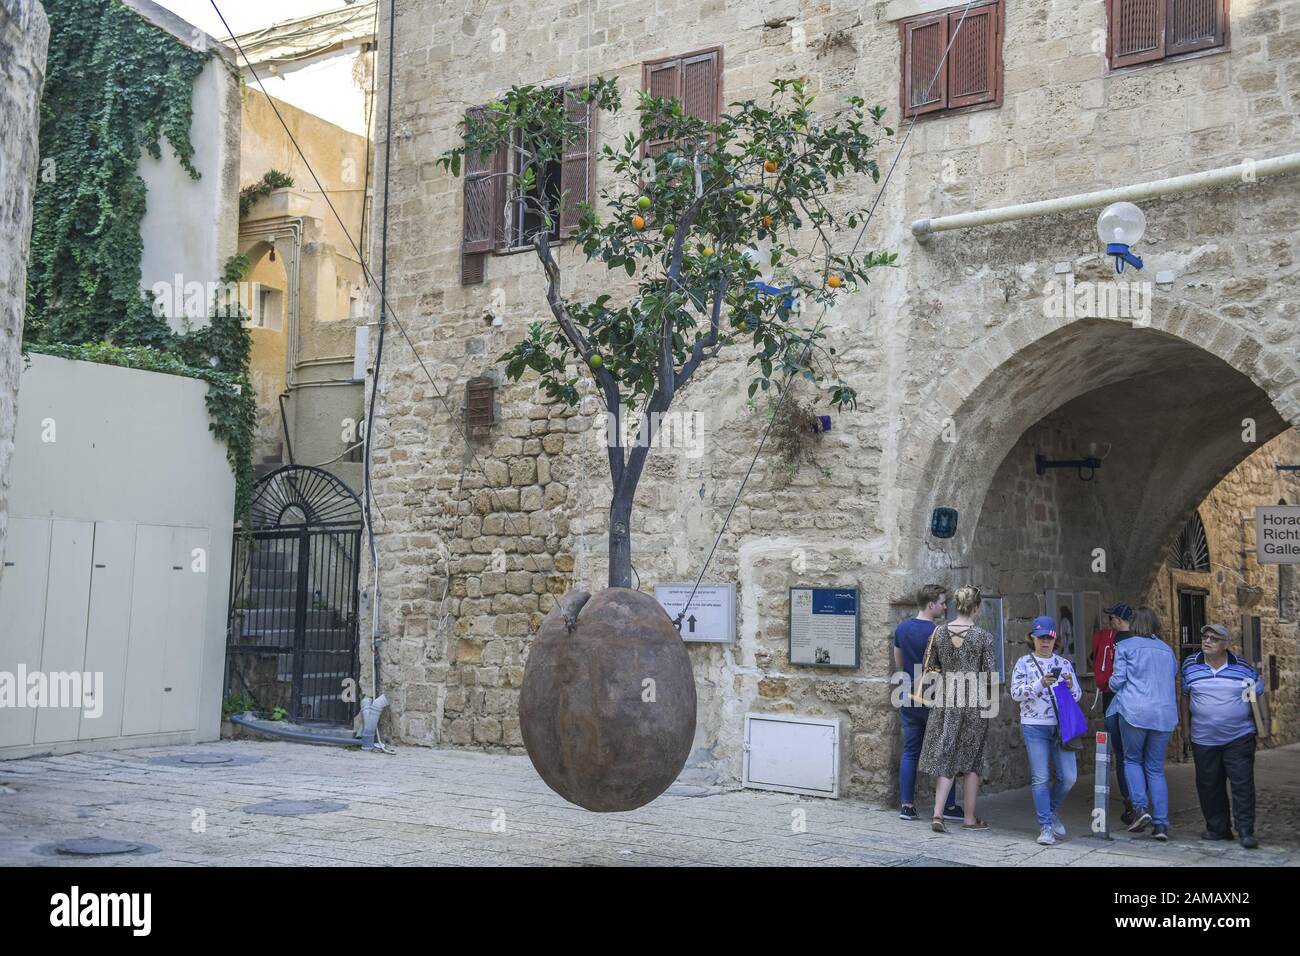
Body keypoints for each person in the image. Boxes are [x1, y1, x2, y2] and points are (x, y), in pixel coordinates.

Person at [1180, 623, 1268, 849]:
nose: (1207, 641)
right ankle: (1218, 829)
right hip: (1203, 738)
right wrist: (1186, 730)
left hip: (1239, 737)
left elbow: (1258, 694)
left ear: (1226, 644)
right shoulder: (1191, 665)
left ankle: (1246, 831)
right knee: (1209, 785)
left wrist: (1264, 725)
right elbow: (1185, 697)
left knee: (1242, 785)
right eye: (1205, 637)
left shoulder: (1242, 667)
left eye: (1214, 638)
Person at [919, 585, 996, 832]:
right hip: (973, 701)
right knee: (971, 761)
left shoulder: (938, 633)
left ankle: (938, 814)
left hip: (945, 698)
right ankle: (969, 819)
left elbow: (929, 667)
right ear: (976, 608)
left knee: (946, 754)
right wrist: (991, 707)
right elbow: (989, 676)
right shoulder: (983, 637)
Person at [1106, 606, 1178, 840]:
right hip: (1163, 714)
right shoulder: (1167, 651)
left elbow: (1117, 681)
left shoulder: (1125, 646)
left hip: (1135, 711)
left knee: (1132, 759)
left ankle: (1139, 808)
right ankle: (1161, 825)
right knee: (1155, 768)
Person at [892, 584, 963, 822]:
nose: (945, 606)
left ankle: (907, 806)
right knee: (944, 751)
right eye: (942, 602)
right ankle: (949, 806)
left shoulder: (902, 628)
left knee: (911, 751)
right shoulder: (940, 632)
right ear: (930, 604)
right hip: (935, 696)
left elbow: (899, 661)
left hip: (909, 693)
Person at [1011, 616, 1082, 846]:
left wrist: (1071, 686)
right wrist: (1041, 683)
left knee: (1069, 777)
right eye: (1040, 638)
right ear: (1032, 638)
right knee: (1040, 777)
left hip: (1062, 727)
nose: (1045, 642)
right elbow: (1016, 693)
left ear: (1055, 639)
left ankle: (1051, 811)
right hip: (1035, 726)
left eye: (1049, 638)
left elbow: (1078, 696)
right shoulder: (1023, 663)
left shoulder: (1064, 663)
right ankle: (1046, 827)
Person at [1096, 603, 1136, 824]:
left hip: (1114, 706)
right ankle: (1151, 808)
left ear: (1119, 620)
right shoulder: (1146, 642)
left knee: (1122, 758)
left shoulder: (1113, 642)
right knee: (1145, 760)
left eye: (1111, 619)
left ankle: (1131, 806)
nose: (1109, 623)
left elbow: (1110, 678)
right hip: (1141, 709)